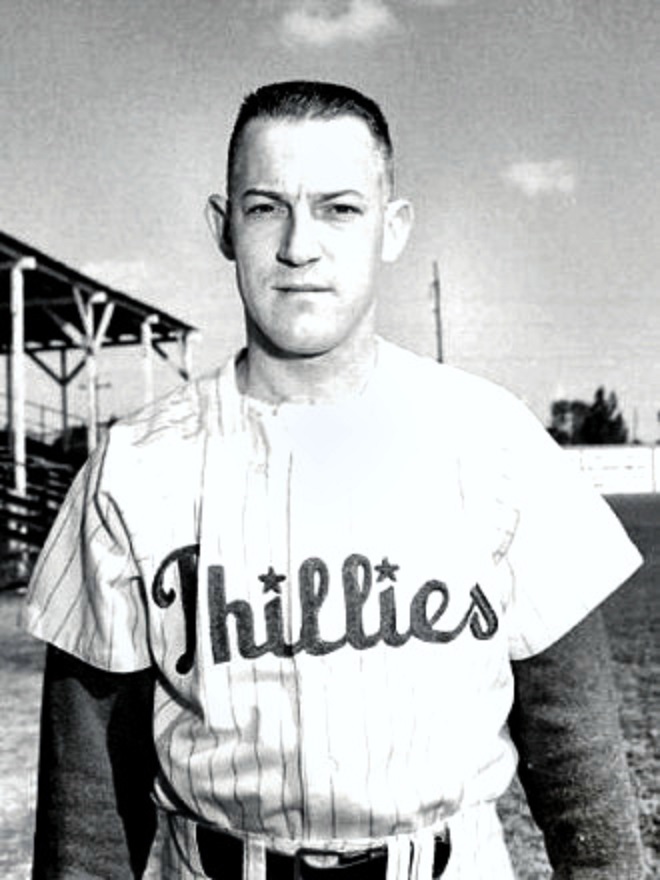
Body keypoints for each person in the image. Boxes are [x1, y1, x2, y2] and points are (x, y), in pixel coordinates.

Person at [23, 80, 647, 880]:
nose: (298, 245)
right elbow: (88, 806)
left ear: (393, 227)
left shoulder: (492, 442)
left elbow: (579, 760)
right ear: (223, 228)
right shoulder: (134, 469)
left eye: (339, 208)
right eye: (265, 207)